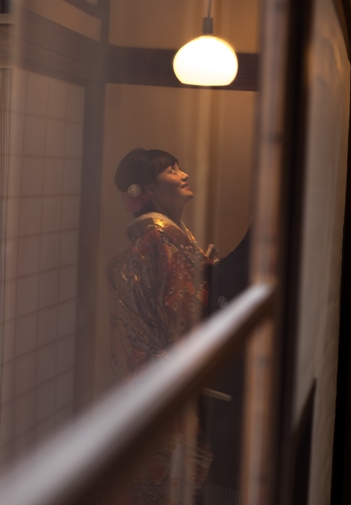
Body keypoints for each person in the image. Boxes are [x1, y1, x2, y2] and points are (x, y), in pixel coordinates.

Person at [106, 148, 215, 504]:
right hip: (164, 374)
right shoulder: (159, 240)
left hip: (147, 373)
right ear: (148, 190)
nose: (183, 175)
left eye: (179, 168)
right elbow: (183, 315)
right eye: (172, 170)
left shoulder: (160, 237)